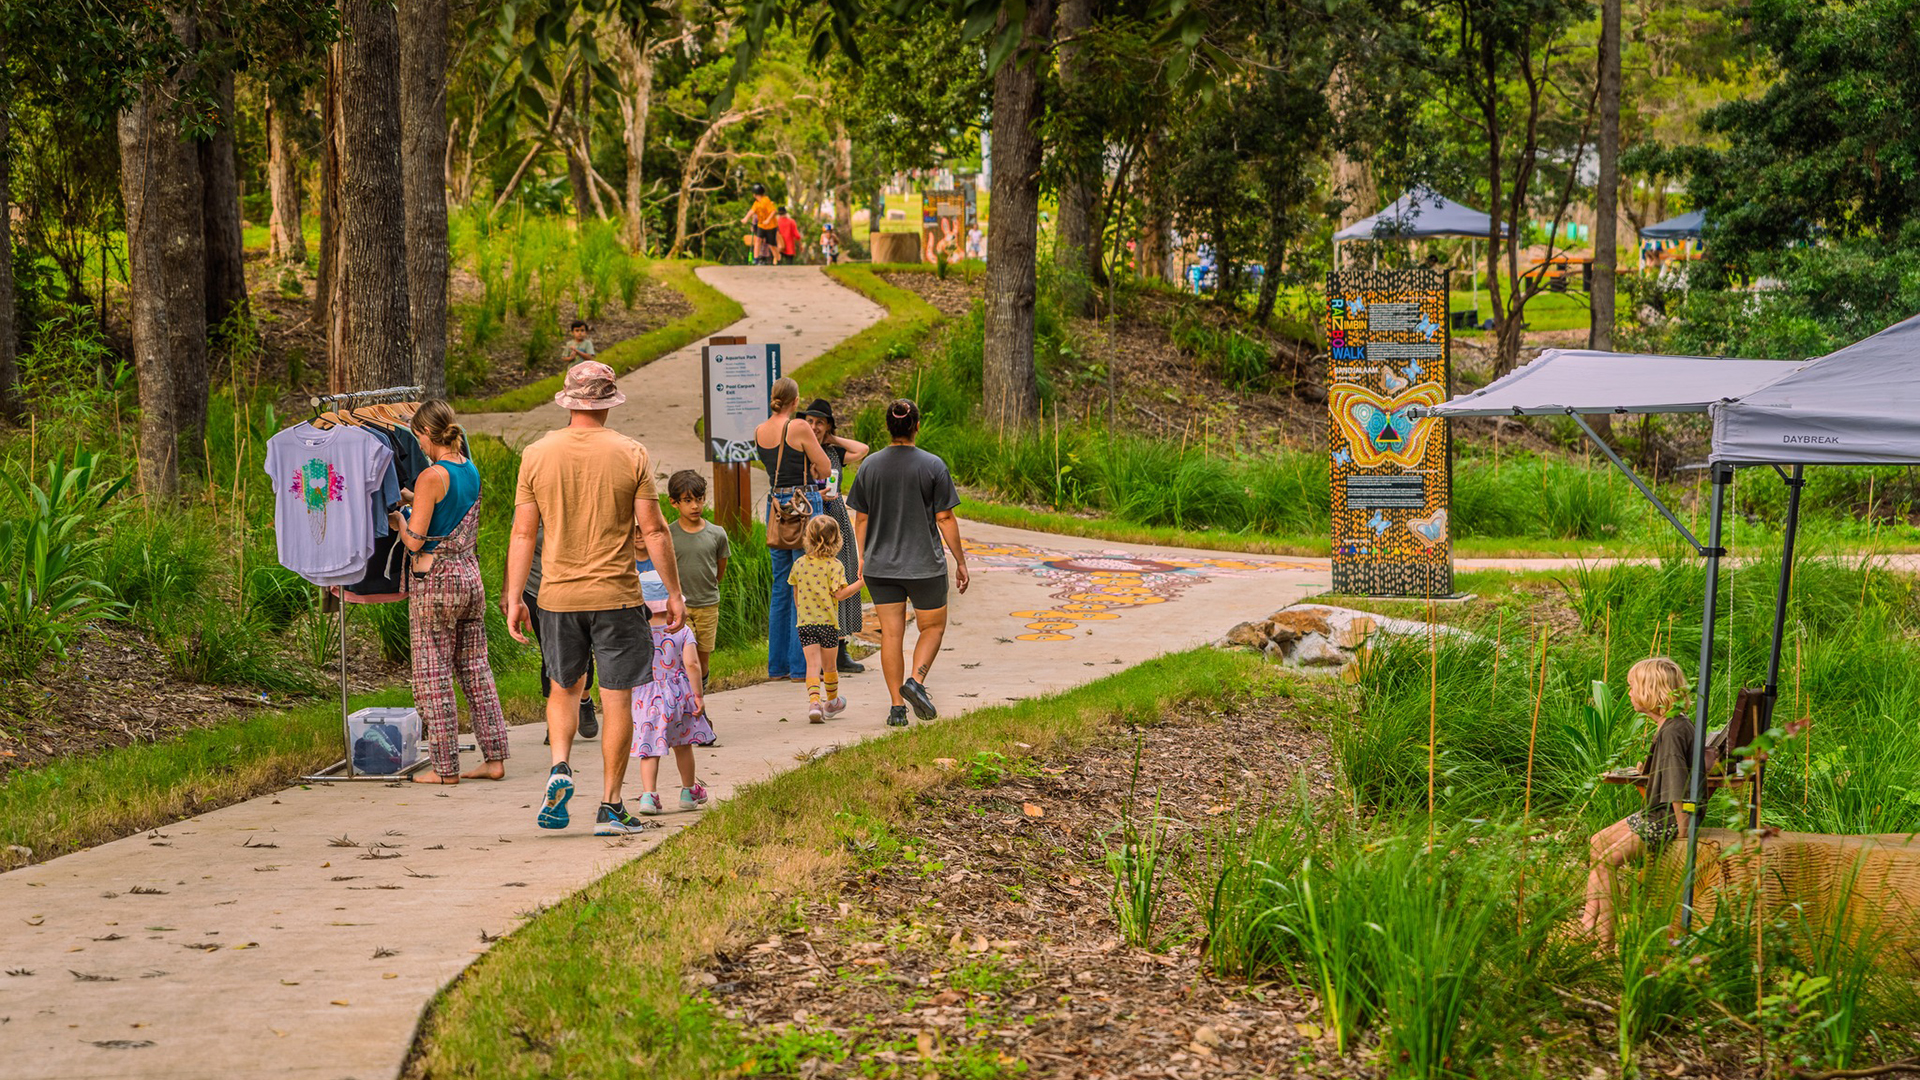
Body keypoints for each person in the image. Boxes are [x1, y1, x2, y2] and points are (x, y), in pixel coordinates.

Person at [504, 360, 688, 837]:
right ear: (607, 403)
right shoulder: (631, 452)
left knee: (564, 688)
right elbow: (654, 529)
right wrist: (674, 592)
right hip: (617, 595)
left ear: (568, 402)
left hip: (557, 596)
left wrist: (513, 598)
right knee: (617, 699)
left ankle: (560, 765)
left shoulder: (536, 454)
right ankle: (610, 806)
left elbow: (523, 533)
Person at [388, 401, 511, 784]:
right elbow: (449, 510)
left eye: (418, 436)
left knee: (433, 675)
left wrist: (397, 522)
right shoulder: (468, 468)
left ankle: (445, 769)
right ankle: (494, 759)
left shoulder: (430, 476)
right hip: (469, 578)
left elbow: (416, 540)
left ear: (426, 434)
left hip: (436, 581)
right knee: (476, 671)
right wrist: (415, 500)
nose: (419, 444)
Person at [845, 399, 969, 727]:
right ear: (917, 425)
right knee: (932, 627)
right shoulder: (933, 466)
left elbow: (861, 520)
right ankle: (916, 680)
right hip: (924, 566)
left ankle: (897, 707)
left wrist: (861, 557)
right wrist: (960, 561)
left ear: (888, 427)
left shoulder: (869, 466)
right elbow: (944, 518)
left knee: (891, 635)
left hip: (880, 568)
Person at [1581, 657, 1696, 947]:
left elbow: (1678, 788)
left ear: (1650, 691)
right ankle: (1586, 924)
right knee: (1597, 842)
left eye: (1632, 687)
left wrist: (1684, 834)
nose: (1629, 693)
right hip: (1657, 811)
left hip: (1667, 818)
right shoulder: (1674, 724)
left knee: (1607, 861)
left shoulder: (1671, 732)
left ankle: (1605, 942)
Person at [754, 377, 832, 682]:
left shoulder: (759, 431)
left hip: (776, 507)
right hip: (804, 505)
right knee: (808, 584)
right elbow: (824, 467)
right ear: (795, 401)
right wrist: (813, 468)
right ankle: (802, 667)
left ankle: (778, 666)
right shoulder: (798, 427)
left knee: (781, 587)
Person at [628, 570, 712, 815]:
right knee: (683, 745)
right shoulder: (682, 631)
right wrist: (698, 695)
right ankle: (688, 791)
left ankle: (648, 796)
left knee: (649, 749)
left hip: (645, 695)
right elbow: (692, 665)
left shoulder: (637, 632)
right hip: (678, 694)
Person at [801, 397, 869, 674]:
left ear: (828, 426)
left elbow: (862, 449)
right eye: (810, 422)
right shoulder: (800, 451)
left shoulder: (833, 452)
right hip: (812, 520)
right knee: (817, 583)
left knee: (844, 575)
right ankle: (816, 652)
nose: (814, 427)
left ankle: (842, 648)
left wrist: (833, 439)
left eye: (820, 422)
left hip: (837, 517)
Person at [523, 526, 600, 745]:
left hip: (576, 589)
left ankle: (584, 700)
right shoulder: (531, 500)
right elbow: (519, 541)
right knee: (550, 655)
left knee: (582, 649)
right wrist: (510, 593)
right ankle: (554, 723)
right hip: (537, 591)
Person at [790, 515, 865, 723]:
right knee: (829, 667)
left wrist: (803, 611)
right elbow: (840, 594)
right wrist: (860, 583)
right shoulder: (835, 565)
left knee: (812, 666)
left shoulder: (799, 564)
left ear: (808, 538)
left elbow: (796, 594)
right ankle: (831, 702)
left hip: (805, 624)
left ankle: (814, 703)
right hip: (828, 625)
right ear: (836, 540)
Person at [666, 469, 729, 683]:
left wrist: (711, 585)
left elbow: (720, 569)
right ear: (674, 503)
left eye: (699, 499)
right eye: (688, 500)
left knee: (702, 662)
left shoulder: (717, 534)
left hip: (708, 605)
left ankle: (699, 699)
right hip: (680, 606)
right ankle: (685, 704)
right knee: (685, 658)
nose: (695, 506)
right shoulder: (668, 534)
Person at [740, 183, 779, 265]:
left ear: (754, 194)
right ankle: (756, 259)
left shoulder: (766, 200)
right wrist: (746, 218)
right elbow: (752, 211)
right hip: (761, 225)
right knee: (758, 240)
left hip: (771, 226)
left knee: (771, 245)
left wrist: (768, 220)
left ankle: (778, 259)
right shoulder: (756, 203)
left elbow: (773, 211)